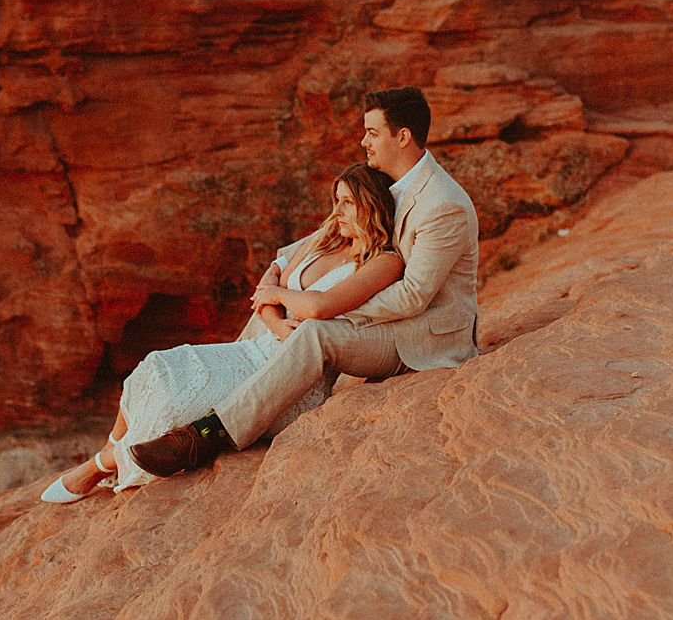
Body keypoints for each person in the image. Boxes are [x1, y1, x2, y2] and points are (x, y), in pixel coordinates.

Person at [127, 85, 479, 479]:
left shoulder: (442, 203)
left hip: (419, 337)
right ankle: (232, 382)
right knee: (294, 305)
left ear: (403, 136)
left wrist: (328, 305)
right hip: (376, 315)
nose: (363, 141)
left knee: (316, 332)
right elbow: (306, 245)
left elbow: (414, 296)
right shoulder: (382, 184)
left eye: (373, 133)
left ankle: (205, 435)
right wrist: (279, 294)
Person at [41, 162, 403, 502]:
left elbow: (320, 306)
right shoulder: (327, 238)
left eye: (347, 203)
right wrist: (275, 320)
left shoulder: (384, 262)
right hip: (261, 345)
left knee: (175, 402)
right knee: (158, 366)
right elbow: (271, 278)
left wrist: (275, 296)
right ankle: (110, 449)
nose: (336, 211)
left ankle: (99, 467)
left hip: (293, 378)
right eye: (335, 200)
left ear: (370, 206)